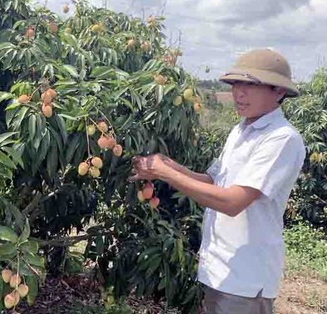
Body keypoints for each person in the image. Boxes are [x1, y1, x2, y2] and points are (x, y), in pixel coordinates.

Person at [130, 48, 306, 314]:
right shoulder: (242, 130)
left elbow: (234, 201)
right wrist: (169, 165)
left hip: (245, 277)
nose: (239, 93)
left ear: (278, 92)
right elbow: (214, 180)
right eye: (236, 84)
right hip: (218, 268)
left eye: (250, 85)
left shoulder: (281, 139)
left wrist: (166, 173)